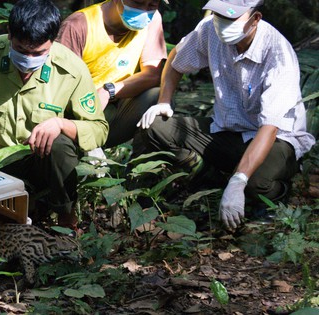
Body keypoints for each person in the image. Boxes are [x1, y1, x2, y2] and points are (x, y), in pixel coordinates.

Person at [133, 0, 315, 229]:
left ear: (255, 19)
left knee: (255, 182)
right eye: (220, 17)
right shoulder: (210, 28)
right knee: (153, 127)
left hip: (275, 140)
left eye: (231, 19)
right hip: (226, 130)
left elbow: (269, 127)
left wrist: (239, 181)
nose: (222, 25)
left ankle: (276, 193)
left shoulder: (278, 54)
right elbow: (177, 59)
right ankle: (204, 177)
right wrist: (164, 101)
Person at [0, 0, 109, 229]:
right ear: (9, 35)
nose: (29, 58)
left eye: (39, 52)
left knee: (60, 144)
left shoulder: (72, 69)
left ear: (52, 41)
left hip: (42, 162)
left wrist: (60, 124)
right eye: (22, 50)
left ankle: (65, 217)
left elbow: (98, 128)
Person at [56, 0, 167, 148]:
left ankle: (139, 161)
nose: (144, 11)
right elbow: (58, 88)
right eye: (137, 3)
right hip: (75, 116)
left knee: (157, 97)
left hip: (114, 107)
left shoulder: (151, 20)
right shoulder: (78, 25)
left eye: (152, 5)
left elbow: (152, 75)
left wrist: (109, 90)